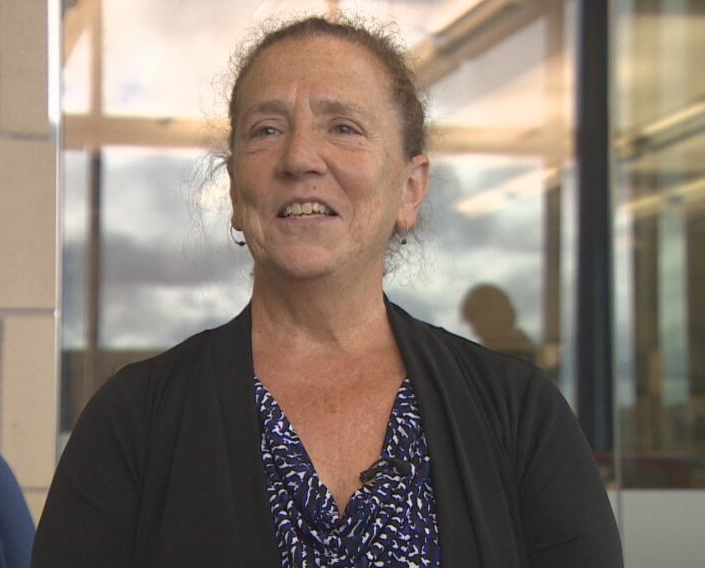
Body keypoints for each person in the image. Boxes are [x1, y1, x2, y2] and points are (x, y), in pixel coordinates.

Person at [32, 15, 623, 568]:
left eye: (343, 127)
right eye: (266, 130)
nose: (299, 157)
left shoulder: (518, 414)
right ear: (237, 193)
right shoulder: (133, 421)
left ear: (410, 190)